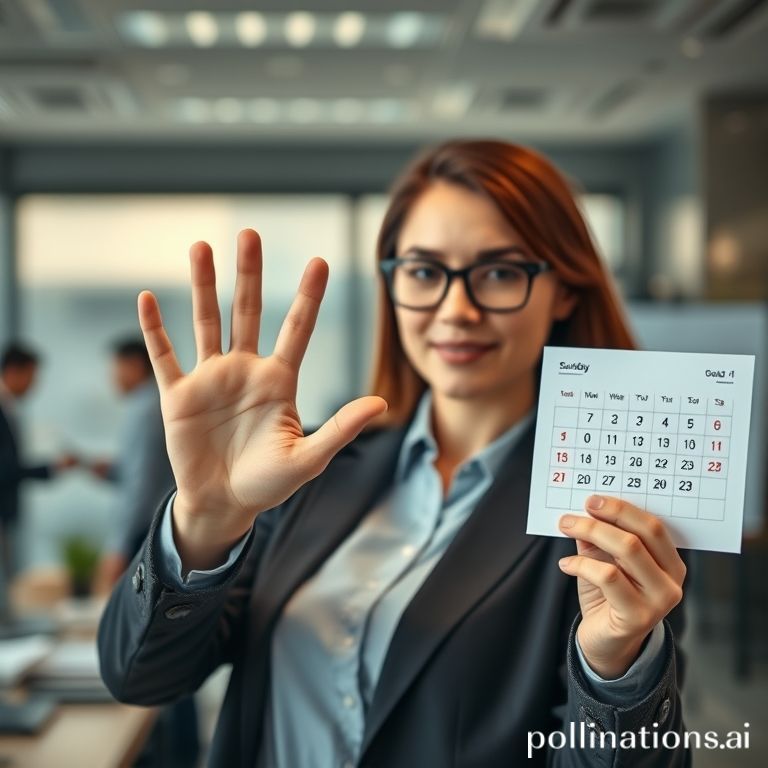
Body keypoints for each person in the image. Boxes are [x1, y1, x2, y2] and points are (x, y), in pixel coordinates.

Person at [98, 140, 689, 767]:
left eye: (499, 272)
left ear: (564, 290)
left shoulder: (611, 514)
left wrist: (613, 671)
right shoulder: (308, 469)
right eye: (425, 272)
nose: (456, 311)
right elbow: (139, 678)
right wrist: (206, 521)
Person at [91, 337, 175, 593]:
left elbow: (142, 483)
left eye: (117, 368)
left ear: (136, 365)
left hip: (144, 528)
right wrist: (114, 471)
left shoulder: (145, 409)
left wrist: (119, 545)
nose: (113, 377)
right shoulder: (151, 402)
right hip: (150, 523)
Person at [0, 342, 78, 582]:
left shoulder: (9, 408)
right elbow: (5, 469)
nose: (34, 385)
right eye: (31, 377)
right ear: (13, 371)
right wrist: (51, 468)